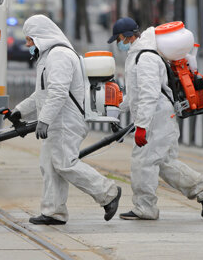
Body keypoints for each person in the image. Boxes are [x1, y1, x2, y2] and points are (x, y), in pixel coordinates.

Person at [13, 15, 122, 225]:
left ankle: (108, 192)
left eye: (30, 39)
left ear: (41, 36)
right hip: (57, 121)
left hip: (65, 121)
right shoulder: (48, 56)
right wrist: (19, 111)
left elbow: (59, 93)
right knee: (50, 166)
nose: (27, 44)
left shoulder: (59, 55)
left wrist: (43, 120)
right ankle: (53, 212)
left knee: (65, 164)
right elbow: (42, 93)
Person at [108, 17, 203, 220]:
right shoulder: (139, 54)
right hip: (159, 116)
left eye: (118, 39)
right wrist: (115, 110)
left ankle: (145, 207)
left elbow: (149, 94)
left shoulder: (145, 57)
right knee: (165, 163)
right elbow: (135, 95)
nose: (117, 43)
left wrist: (141, 127)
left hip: (156, 118)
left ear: (127, 36)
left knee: (143, 163)